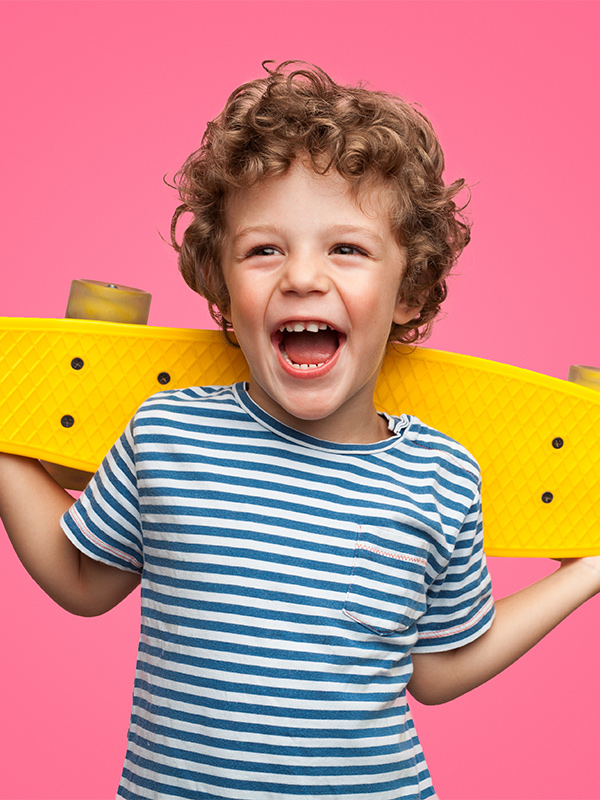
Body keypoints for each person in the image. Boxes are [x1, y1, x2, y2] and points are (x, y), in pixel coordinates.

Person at [1, 61, 599, 800]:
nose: (302, 278)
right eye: (264, 250)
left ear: (410, 291)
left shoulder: (443, 475)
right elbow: (84, 579)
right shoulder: (169, 435)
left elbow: (437, 670)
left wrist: (587, 572)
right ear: (221, 286)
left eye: (345, 249)